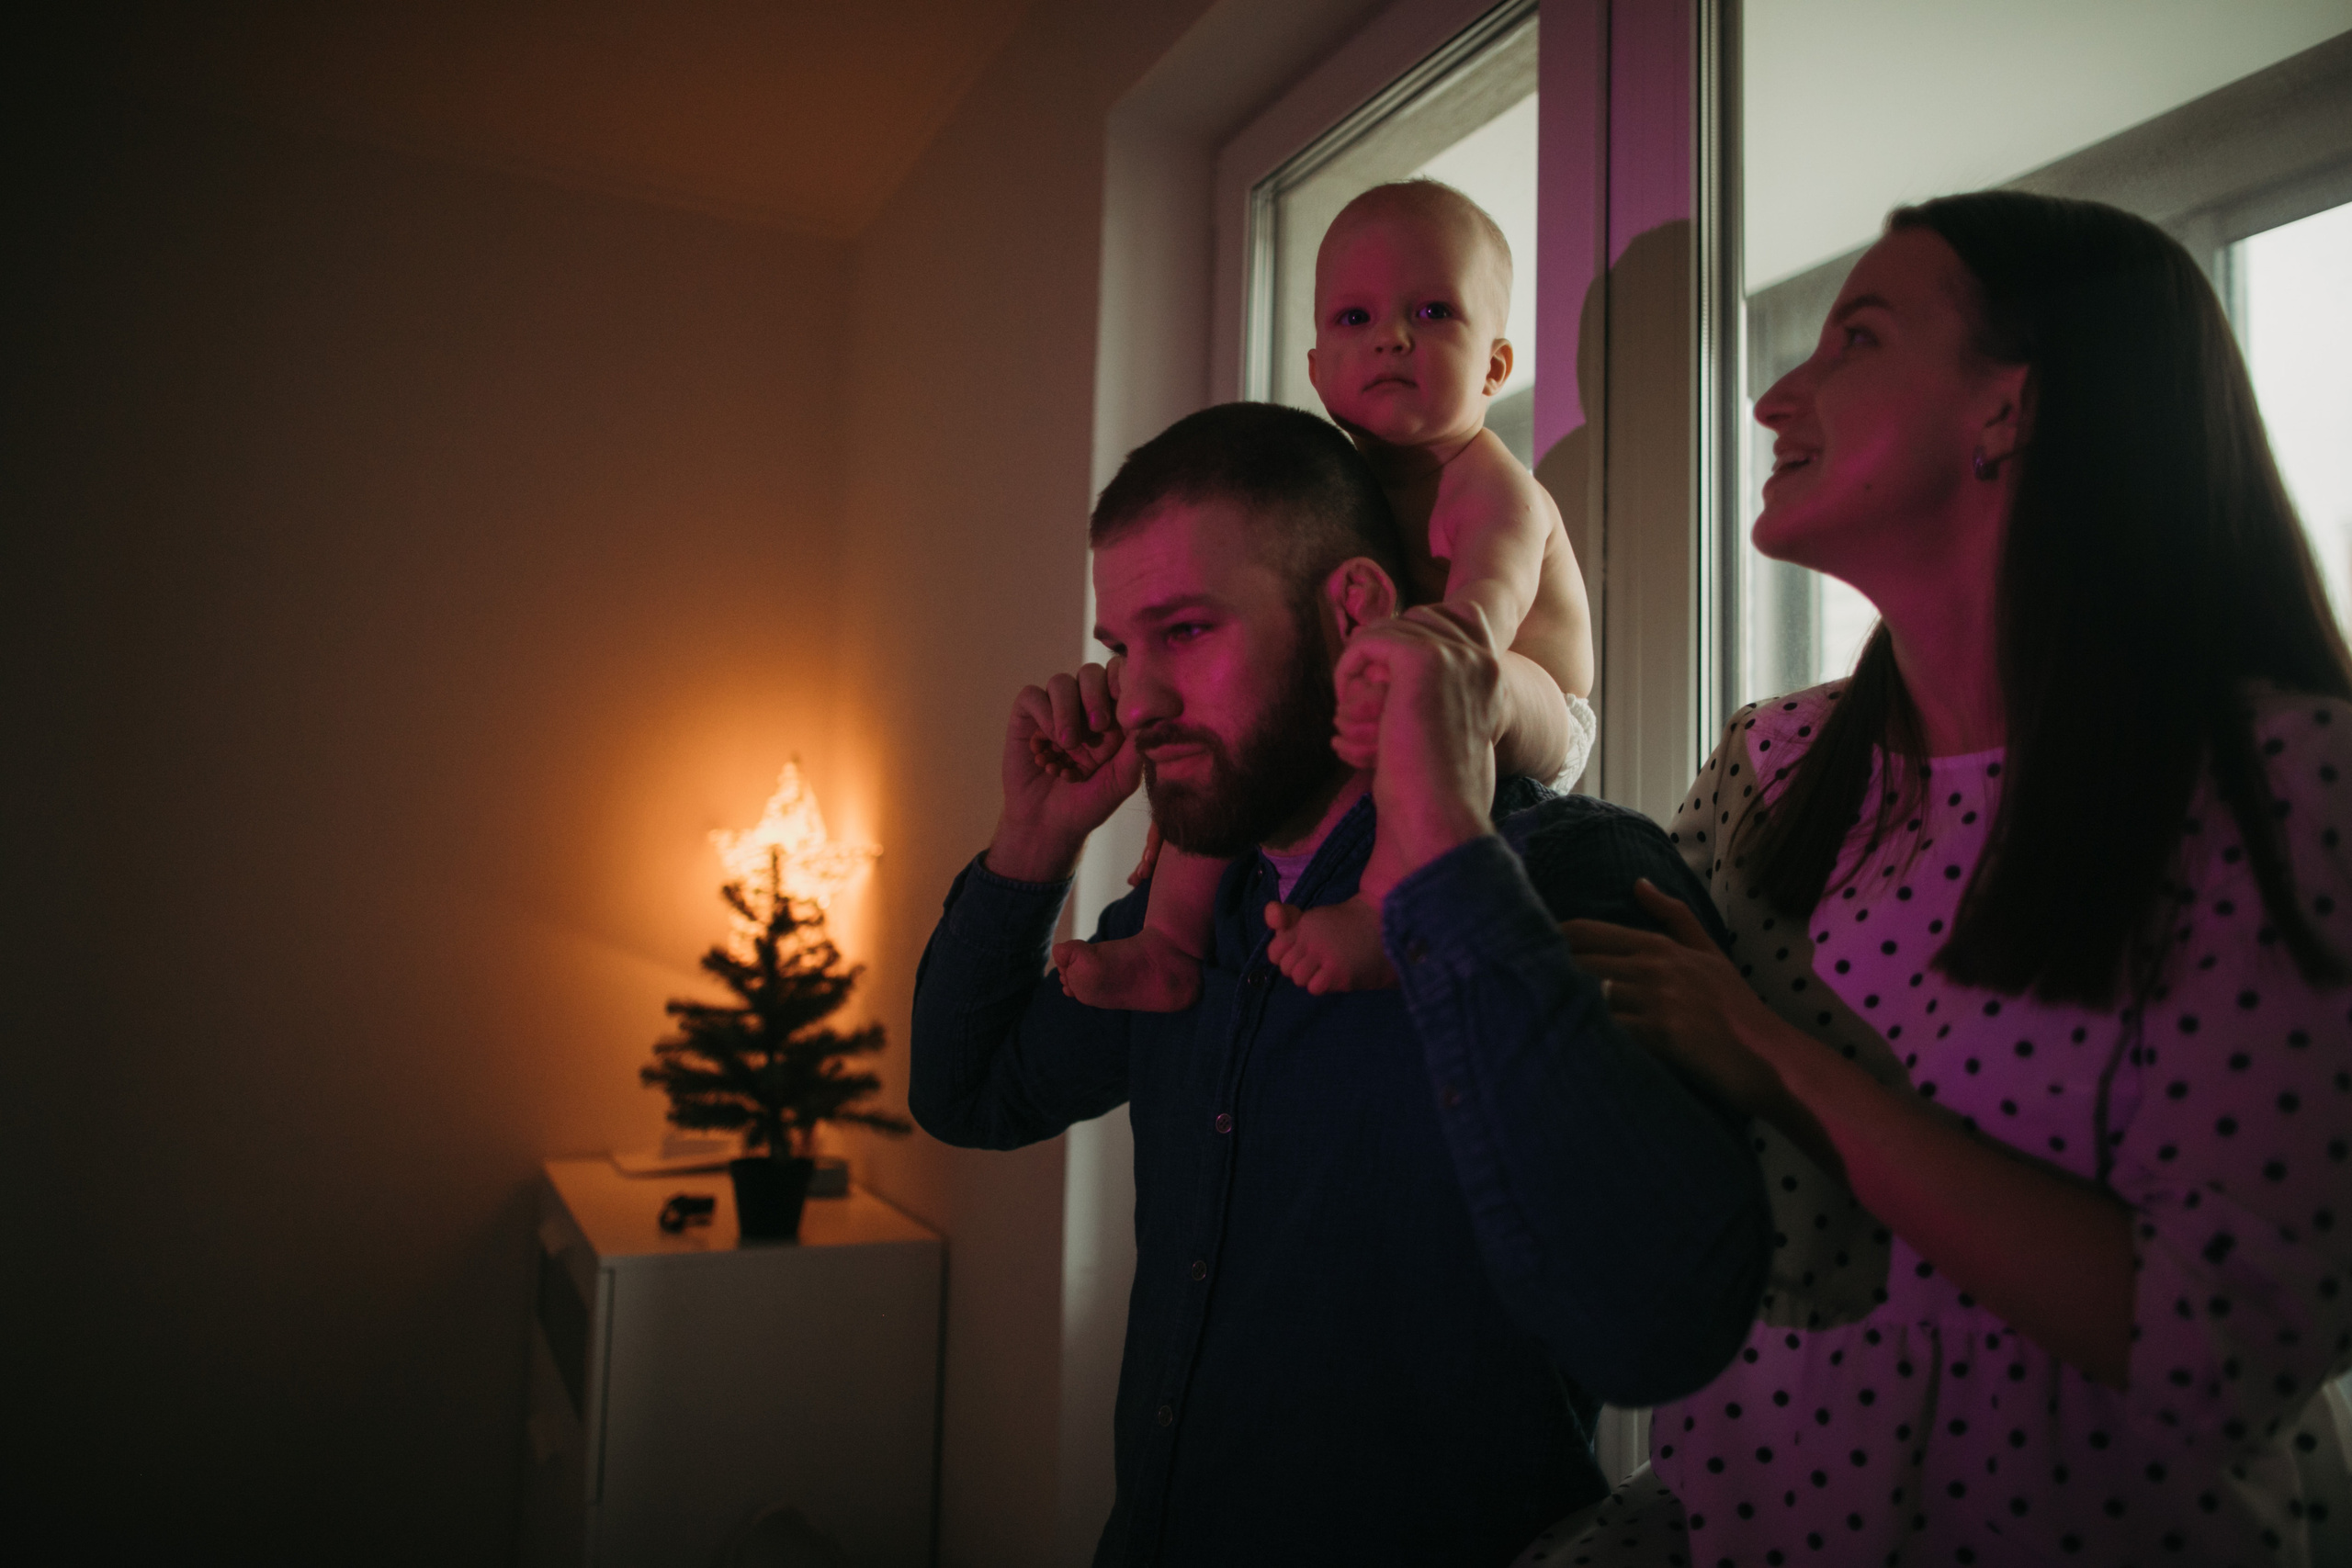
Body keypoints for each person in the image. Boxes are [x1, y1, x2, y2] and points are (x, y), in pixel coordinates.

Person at [1549, 192, 2352, 1564]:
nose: (1776, 397)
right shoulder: (1772, 767)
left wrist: (1772, 1055)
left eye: (1856, 336)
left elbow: (2210, 1343)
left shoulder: (2292, 787)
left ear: (2010, 412)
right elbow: (1633, 1140)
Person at [910, 401, 1770, 1567]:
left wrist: (1444, 873)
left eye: (1187, 631)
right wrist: (1031, 843)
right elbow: (967, 1094)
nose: (1139, 699)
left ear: (1354, 609)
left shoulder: (1566, 877)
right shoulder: (1182, 917)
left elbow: (1659, 1324)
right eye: (1123, 647)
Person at [1052, 180, 1596, 1010]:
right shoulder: (1329, 489)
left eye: (1433, 313)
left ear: (1494, 364)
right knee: (1234, 743)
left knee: (1436, 681)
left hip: (1525, 691)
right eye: (1356, 320)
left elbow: (1477, 625)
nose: (1392, 340)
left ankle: (1384, 912)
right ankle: (1168, 943)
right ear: (1315, 368)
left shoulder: (1494, 489)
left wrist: (1407, 672)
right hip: (1408, 665)